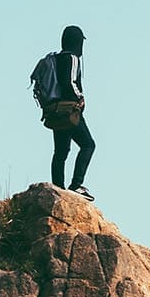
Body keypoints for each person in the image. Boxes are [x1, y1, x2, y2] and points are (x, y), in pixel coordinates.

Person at [47, 24, 95, 200]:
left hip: (55, 110)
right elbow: (70, 82)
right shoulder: (72, 58)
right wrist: (80, 97)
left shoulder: (55, 59)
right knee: (88, 144)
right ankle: (76, 185)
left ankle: (57, 188)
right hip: (70, 109)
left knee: (60, 151)